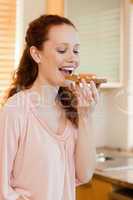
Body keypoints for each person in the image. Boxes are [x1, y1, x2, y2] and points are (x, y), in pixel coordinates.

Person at [0, 14, 99, 200]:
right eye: (62, 50)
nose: (73, 59)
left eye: (76, 51)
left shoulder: (72, 108)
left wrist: (86, 116)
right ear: (36, 54)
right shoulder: (16, 110)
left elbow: (84, 175)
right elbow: (2, 188)